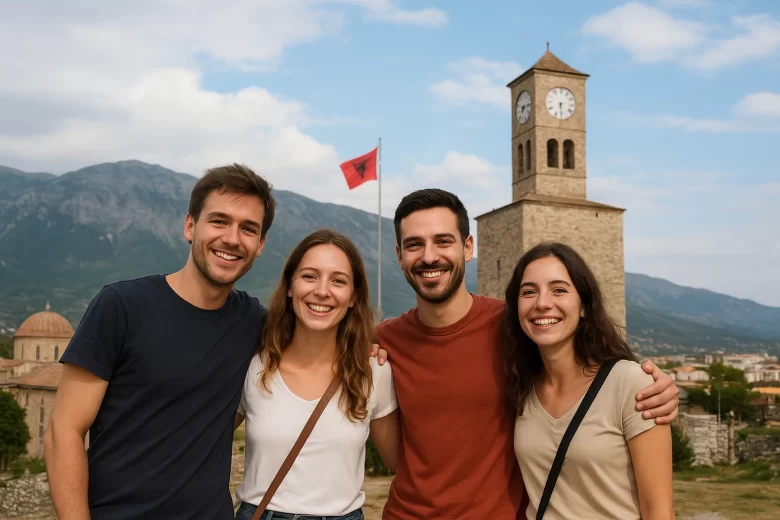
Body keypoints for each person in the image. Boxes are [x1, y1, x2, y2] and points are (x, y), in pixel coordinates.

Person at [375, 188, 680, 519]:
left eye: (443, 241)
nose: (429, 256)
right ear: (399, 254)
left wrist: (657, 386)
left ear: (468, 248)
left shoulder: (517, 327)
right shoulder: (382, 342)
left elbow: (585, 365)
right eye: (414, 244)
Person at [44, 164, 276, 519]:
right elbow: (64, 430)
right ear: (189, 226)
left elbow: (320, 336)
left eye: (248, 228)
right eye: (218, 221)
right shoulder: (121, 307)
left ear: (260, 245)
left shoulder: (253, 322)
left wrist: (371, 343)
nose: (232, 238)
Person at [233, 229, 400, 520]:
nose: (322, 291)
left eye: (338, 281)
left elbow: (399, 460)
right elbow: (202, 444)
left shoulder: (373, 370)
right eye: (309, 276)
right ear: (289, 286)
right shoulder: (254, 364)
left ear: (352, 297)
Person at [505, 242, 674, 519]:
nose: (542, 303)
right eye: (529, 292)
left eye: (559, 290)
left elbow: (659, 510)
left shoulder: (630, 384)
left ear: (583, 305)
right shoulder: (520, 388)